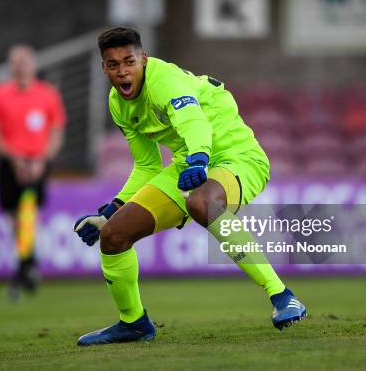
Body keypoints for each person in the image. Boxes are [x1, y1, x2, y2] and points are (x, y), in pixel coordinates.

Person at [73, 27, 306, 346]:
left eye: (128, 61)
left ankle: (282, 296)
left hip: (236, 156)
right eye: (113, 65)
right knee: (114, 236)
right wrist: (112, 209)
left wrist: (198, 159)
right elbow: (147, 166)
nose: (122, 71)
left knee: (202, 202)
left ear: (143, 59)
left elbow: (194, 123)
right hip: (188, 165)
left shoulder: (164, 81)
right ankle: (134, 324)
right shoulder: (119, 104)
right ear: (104, 68)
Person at [0, 44, 66, 300]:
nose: (21, 66)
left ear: (34, 65)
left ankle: (23, 269)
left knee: (29, 212)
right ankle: (28, 262)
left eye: (25, 61)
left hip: (38, 163)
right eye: (16, 61)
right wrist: (14, 157)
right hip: (9, 162)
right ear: (11, 66)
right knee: (13, 219)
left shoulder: (48, 94)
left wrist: (42, 159)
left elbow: (56, 132)